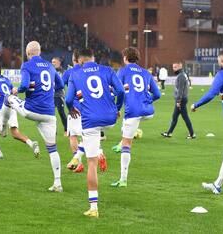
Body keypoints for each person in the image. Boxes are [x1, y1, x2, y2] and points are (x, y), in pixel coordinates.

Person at [66, 48, 124, 218]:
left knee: (91, 163)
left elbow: (69, 99)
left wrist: (71, 109)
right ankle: (96, 148)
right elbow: (120, 91)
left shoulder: (75, 74)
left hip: (91, 120)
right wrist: (117, 108)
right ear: (93, 58)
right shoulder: (107, 70)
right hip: (110, 119)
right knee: (94, 135)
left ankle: (93, 208)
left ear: (80, 60)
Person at [0, 41, 64, 192]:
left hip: (31, 109)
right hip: (49, 114)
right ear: (40, 52)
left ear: (28, 54)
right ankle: (58, 183)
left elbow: (25, 85)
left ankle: (2, 128)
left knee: (7, 98)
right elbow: (60, 85)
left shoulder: (27, 65)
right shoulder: (50, 66)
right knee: (52, 149)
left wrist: (17, 89)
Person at [110, 47, 161, 188]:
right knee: (129, 127)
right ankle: (130, 135)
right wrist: (146, 101)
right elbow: (157, 94)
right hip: (149, 111)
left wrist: (116, 108)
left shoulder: (123, 71)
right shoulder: (145, 72)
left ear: (125, 57)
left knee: (127, 144)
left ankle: (123, 179)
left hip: (133, 112)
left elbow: (118, 91)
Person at [191, 49, 223, 194]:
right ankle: (217, 185)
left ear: (221, 60)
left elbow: (210, 94)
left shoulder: (222, 75)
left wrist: (196, 104)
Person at [63, 50, 107, 173]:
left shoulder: (70, 72)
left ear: (75, 59)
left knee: (73, 136)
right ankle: (99, 152)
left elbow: (60, 85)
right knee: (88, 135)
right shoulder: (88, 72)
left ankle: (78, 162)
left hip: (75, 109)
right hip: (88, 109)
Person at [161, 62, 195, 139]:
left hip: (181, 100)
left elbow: (180, 90)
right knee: (175, 117)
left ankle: (192, 134)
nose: (174, 69)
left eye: (175, 67)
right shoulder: (182, 74)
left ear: (180, 66)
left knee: (185, 117)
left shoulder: (181, 76)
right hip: (182, 99)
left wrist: (178, 101)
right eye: (173, 67)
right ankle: (169, 133)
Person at [52, 57, 67, 134]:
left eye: (54, 62)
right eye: (52, 62)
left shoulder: (63, 72)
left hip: (59, 95)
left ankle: (66, 129)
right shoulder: (51, 71)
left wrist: (53, 88)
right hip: (51, 96)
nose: (53, 63)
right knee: (51, 113)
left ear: (59, 62)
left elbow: (62, 84)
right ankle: (54, 131)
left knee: (61, 112)